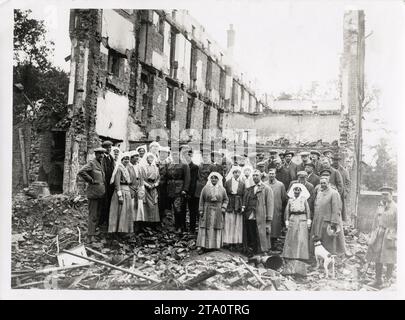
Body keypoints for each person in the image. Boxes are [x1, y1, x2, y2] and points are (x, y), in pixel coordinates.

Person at [366, 186, 397, 289]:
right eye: (382, 194)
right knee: (377, 257)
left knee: (389, 258)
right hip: (379, 234)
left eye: (386, 194)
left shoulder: (396, 208)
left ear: (391, 195)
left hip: (389, 235)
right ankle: (378, 279)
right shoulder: (380, 206)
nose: (384, 196)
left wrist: (394, 236)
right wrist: (373, 233)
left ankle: (388, 280)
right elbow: (375, 220)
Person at [310, 176, 346, 256]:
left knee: (328, 241)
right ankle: (319, 258)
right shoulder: (319, 193)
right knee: (319, 240)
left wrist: (334, 223)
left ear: (328, 183)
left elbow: (336, 209)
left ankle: (329, 258)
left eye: (324, 183)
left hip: (327, 221)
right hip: (318, 220)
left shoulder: (334, 193)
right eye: (321, 183)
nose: (323, 185)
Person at [242, 170, 274, 256]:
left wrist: (269, 218)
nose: (255, 177)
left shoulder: (266, 188)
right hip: (250, 214)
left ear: (260, 176)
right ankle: (252, 249)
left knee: (261, 232)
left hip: (261, 214)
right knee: (251, 231)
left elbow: (270, 204)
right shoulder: (250, 188)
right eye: (254, 175)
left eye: (257, 175)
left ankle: (262, 250)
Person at [282, 183, 312, 276]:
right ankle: (290, 255)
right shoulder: (290, 200)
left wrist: (308, 221)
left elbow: (308, 210)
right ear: (293, 191)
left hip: (302, 218)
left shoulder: (304, 199)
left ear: (301, 191)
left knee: (301, 238)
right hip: (293, 218)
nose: (297, 191)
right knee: (292, 237)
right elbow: (287, 211)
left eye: (298, 190)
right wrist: (286, 220)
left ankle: (301, 256)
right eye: (295, 190)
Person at [77, 147, 106, 242]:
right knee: (92, 215)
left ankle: (93, 233)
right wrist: (91, 180)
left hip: (101, 193)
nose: (101, 155)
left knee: (98, 214)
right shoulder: (92, 163)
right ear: (95, 154)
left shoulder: (102, 163)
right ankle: (90, 235)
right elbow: (81, 171)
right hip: (93, 193)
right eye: (99, 153)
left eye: (102, 154)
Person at [196, 172, 229, 251]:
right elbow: (201, 200)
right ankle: (203, 245)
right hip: (207, 209)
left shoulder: (222, 189)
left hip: (218, 210)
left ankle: (215, 246)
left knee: (216, 227)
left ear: (218, 179)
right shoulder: (205, 188)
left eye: (215, 178)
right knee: (205, 227)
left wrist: (223, 207)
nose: (213, 179)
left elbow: (226, 199)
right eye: (212, 178)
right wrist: (201, 210)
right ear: (210, 179)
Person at [108, 152, 134, 236]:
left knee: (126, 211)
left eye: (128, 159)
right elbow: (117, 183)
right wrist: (120, 195)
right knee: (119, 211)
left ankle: (124, 230)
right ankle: (117, 231)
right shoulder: (119, 169)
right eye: (125, 159)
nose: (126, 160)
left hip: (127, 191)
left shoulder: (127, 168)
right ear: (121, 160)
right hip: (121, 191)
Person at [166, 148, 191, 233]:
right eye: (173, 154)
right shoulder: (170, 164)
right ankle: (176, 226)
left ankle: (182, 227)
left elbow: (187, 178)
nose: (174, 156)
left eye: (176, 154)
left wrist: (185, 189)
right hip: (171, 189)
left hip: (180, 189)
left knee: (180, 209)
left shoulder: (184, 165)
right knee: (174, 208)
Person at [223, 166, 245, 251]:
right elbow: (224, 194)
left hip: (238, 204)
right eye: (235, 172)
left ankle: (236, 242)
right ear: (232, 173)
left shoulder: (242, 184)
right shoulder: (228, 182)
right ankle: (228, 242)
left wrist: (242, 206)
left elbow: (243, 195)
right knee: (229, 222)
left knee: (237, 223)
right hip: (230, 203)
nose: (237, 174)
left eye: (238, 172)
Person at [137, 152, 160, 228]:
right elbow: (141, 178)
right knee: (147, 204)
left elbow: (158, 179)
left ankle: (154, 222)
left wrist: (155, 184)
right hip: (146, 188)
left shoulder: (156, 168)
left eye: (152, 158)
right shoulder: (143, 168)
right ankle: (146, 223)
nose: (150, 159)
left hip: (153, 188)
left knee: (154, 204)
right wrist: (147, 185)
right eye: (149, 158)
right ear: (146, 159)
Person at [267, 168, 288, 251]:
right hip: (267, 208)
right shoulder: (265, 184)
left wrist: (279, 205)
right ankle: (267, 244)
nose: (271, 175)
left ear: (275, 174)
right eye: (270, 173)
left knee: (275, 226)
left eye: (273, 173)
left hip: (276, 208)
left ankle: (274, 244)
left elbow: (284, 198)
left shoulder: (280, 185)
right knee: (268, 225)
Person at [331, 154, 351, 222]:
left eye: (337, 160)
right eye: (334, 160)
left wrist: (346, 192)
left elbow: (348, 182)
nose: (336, 162)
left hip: (340, 192)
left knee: (340, 208)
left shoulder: (344, 171)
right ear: (332, 160)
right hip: (331, 191)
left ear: (340, 161)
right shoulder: (330, 169)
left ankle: (339, 222)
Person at [128, 150, 144, 231]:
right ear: (131, 158)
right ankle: (131, 226)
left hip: (138, 189)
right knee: (131, 207)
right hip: (131, 189)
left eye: (138, 156)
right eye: (135, 156)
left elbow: (141, 178)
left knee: (139, 208)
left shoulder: (139, 167)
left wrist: (141, 188)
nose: (137, 158)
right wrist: (131, 188)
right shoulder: (128, 167)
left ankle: (138, 226)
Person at [184, 147, 200, 234]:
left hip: (193, 192)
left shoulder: (194, 167)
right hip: (184, 191)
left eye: (189, 155)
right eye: (186, 155)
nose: (187, 157)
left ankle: (193, 229)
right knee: (187, 211)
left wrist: (190, 193)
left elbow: (193, 181)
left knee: (194, 210)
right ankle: (188, 228)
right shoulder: (183, 165)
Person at [101, 141, 115, 227]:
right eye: (107, 148)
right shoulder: (102, 158)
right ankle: (102, 220)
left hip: (111, 183)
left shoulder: (111, 157)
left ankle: (108, 219)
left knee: (110, 200)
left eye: (110, 147)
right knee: (104, 201)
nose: (109, 149)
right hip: (104, 182)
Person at [157, 146, 171, 222]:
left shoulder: (170, 162)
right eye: (161, 153)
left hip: (167, 185)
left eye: (165, 153)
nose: (163, 155)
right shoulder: (156, 161)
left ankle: (167, 219)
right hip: (158, 185)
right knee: (159, 203)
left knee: (167, 203)